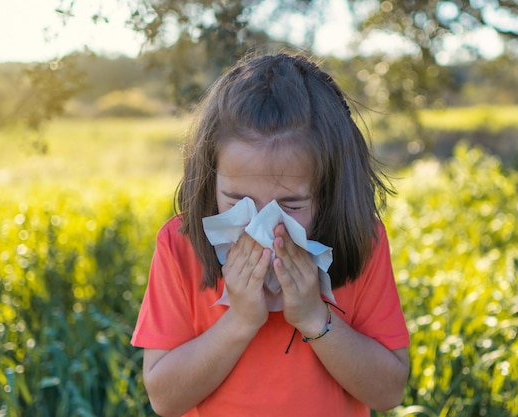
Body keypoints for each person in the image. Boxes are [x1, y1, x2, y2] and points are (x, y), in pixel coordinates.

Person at [131, 52, 410, 417]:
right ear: (210, 178)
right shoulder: (179, 245)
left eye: (291, 206)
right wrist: (240, 320)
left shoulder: (361, 240)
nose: (262, 228)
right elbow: (165, 400)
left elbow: (388, 392)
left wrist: (314, 316)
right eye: (236, 200)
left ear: (329, 192)